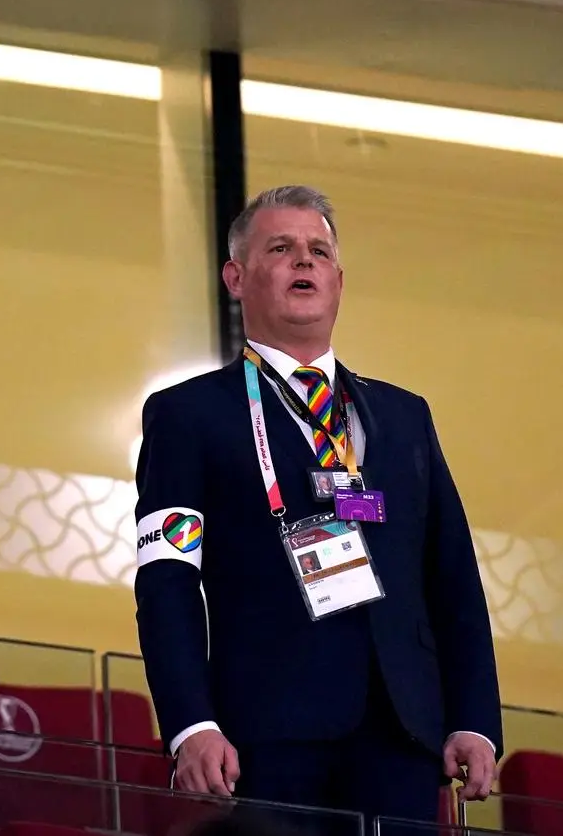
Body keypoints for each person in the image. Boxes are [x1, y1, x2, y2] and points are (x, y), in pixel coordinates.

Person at [132, 185, 501, 826]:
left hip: (402, 730)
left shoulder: (404, 417)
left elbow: (453, 581)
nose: (304, 261)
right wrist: (191, 723)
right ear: (236, 276)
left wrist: (475, 719)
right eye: (281, 248)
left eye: (318, 251)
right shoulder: (188, 414)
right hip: (266, 731)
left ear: (338, 279)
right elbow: (168, 580)